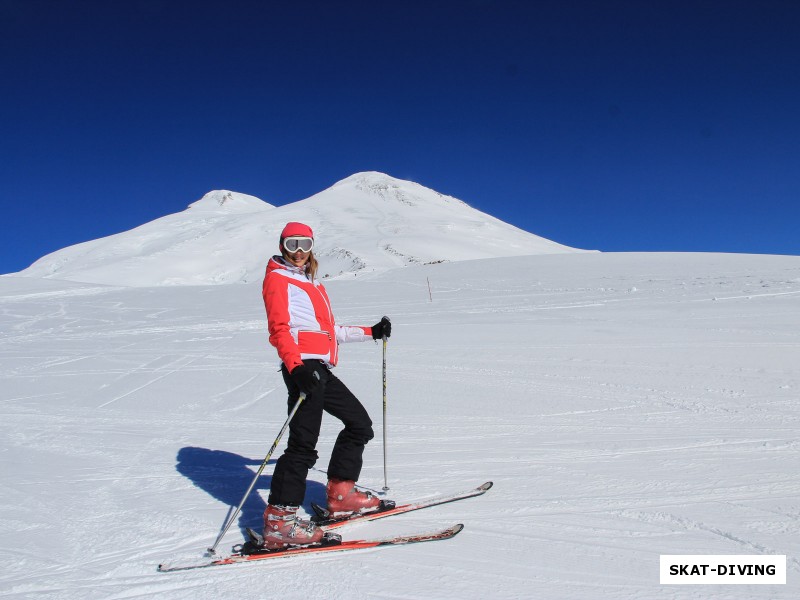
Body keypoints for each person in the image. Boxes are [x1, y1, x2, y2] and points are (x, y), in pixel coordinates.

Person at [260, 222, 392, 549]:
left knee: (359, 423)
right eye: (292, 244)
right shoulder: (278, 279)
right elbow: (280, 330)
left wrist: (371, 332)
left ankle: (341, 495)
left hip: (319, 368)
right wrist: (296, 367)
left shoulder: (311, 283)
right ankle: (280, 523)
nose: (299, 250)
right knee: (303, 445)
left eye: (305, 243)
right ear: (282, 246)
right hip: (303, 368)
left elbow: (329, 332)